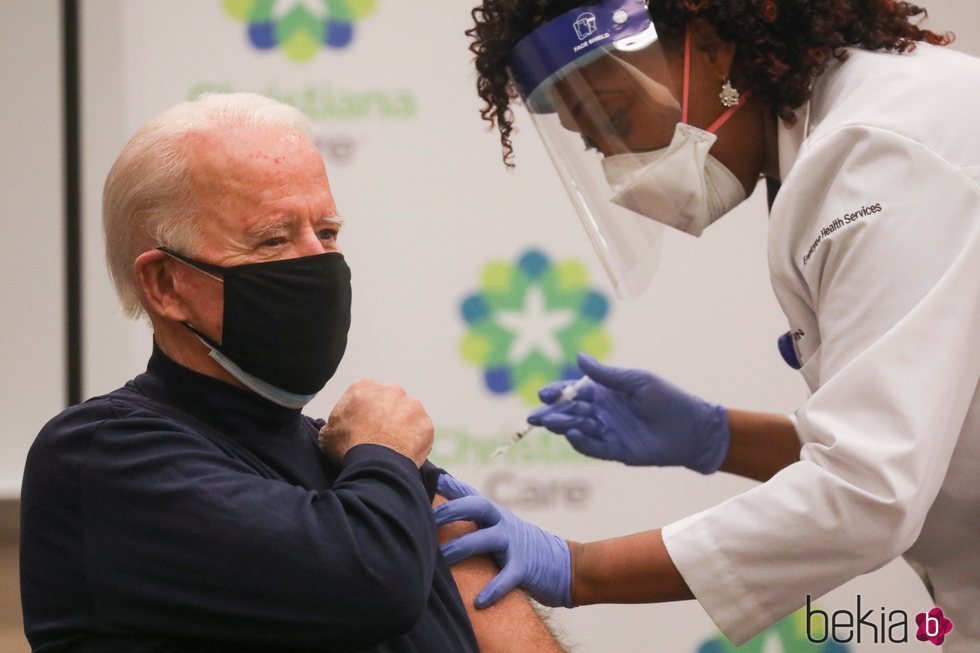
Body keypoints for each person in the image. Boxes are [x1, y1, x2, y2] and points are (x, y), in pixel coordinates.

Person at [436, 0, 980, 650]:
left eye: (613, 117)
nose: (618, 165)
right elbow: (918, 445)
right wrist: (714, 436)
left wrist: (580, 566)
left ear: (715, 45)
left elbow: (867, 491)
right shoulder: (851, 133)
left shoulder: (878, 152)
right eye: (592, 142)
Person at [20, 92, 565, 652]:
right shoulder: (104, 454)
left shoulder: (349, 458)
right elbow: (372, 583)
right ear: (165, 283)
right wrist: (388, 457)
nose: (320, 262)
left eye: (327, 233)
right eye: (273, 240)